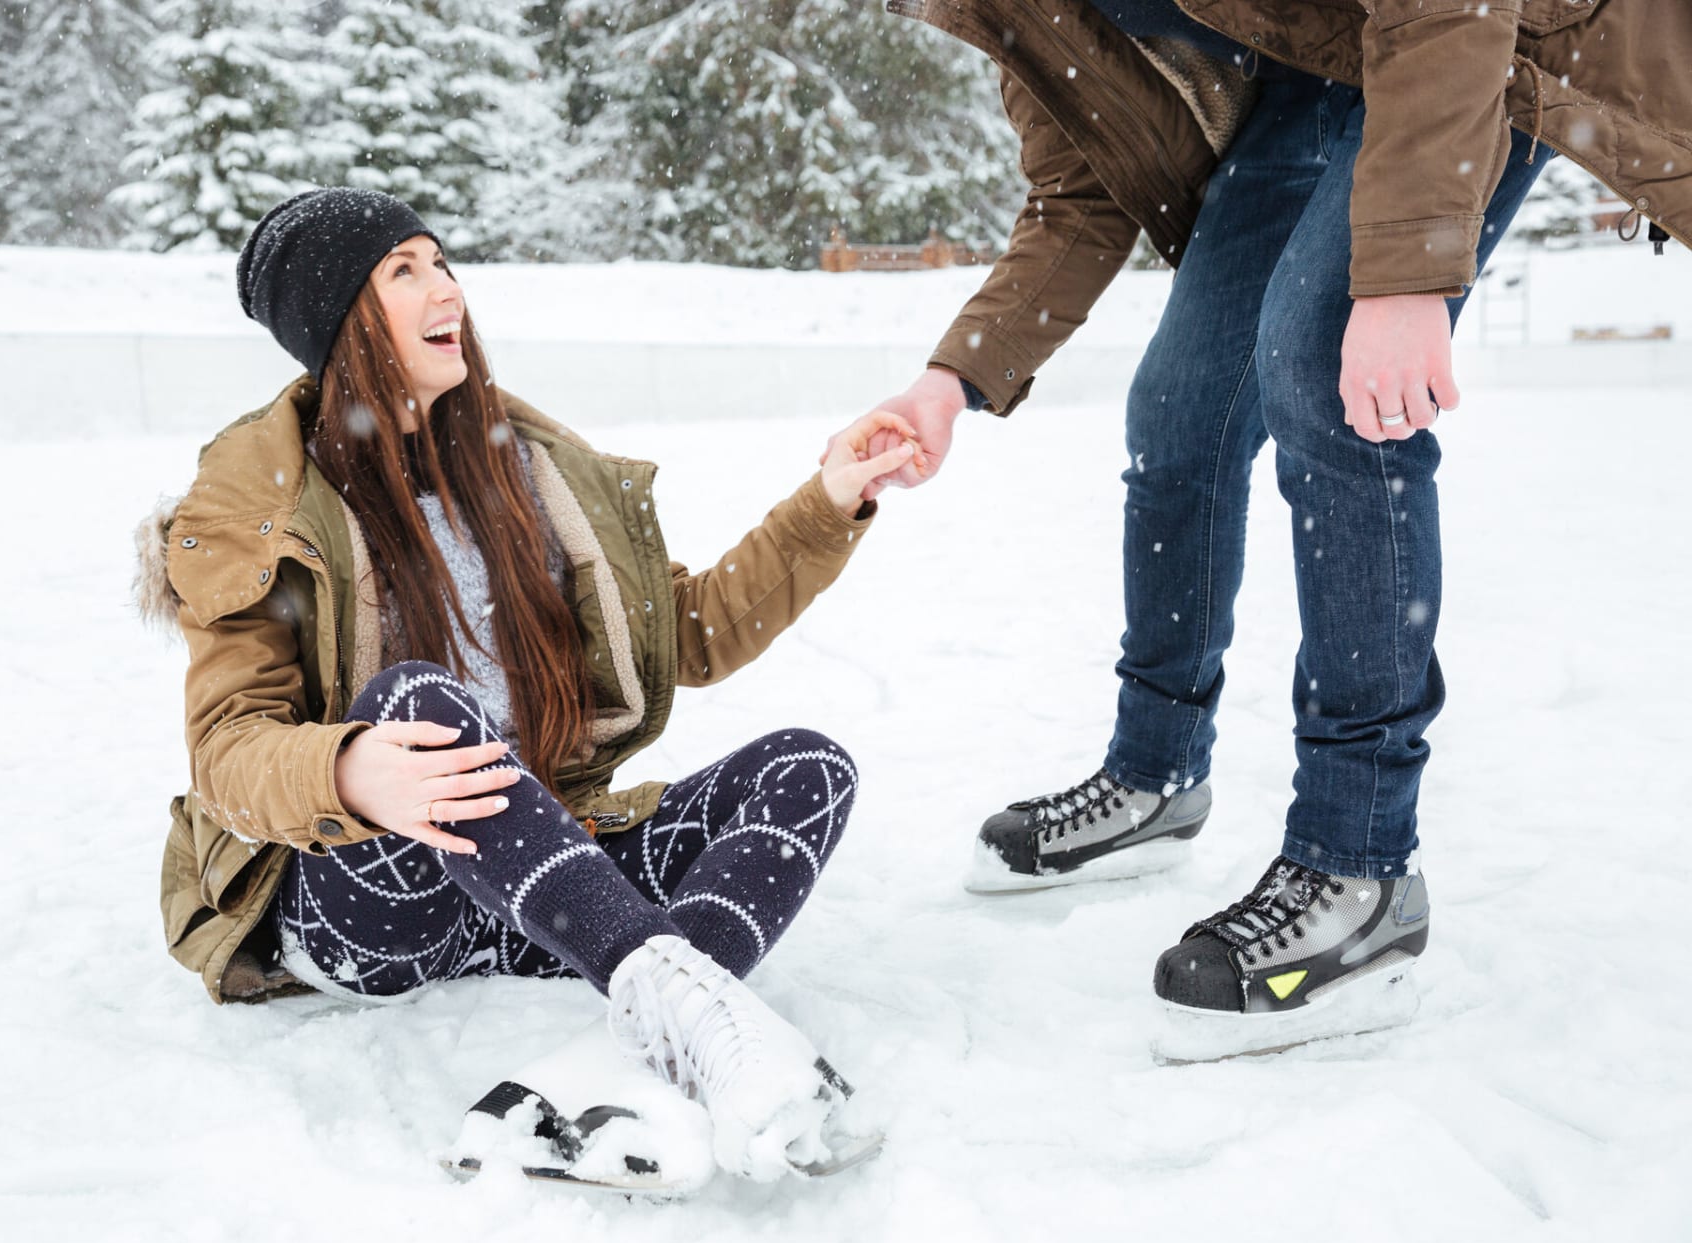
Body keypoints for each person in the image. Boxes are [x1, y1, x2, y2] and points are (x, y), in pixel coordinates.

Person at [871, 0, 1687, 1057]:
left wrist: (1400, 277)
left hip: (1479, 34)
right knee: (1179, 413)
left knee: (1324, 366)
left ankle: (1360, 865)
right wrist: (952, 379)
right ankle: (1156, 771)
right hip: (1314, 78)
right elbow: (1076, 195)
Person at [137, 188, 916, 1178]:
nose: (445, 287)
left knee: (809, 769)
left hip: (546, 880)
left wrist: (829, 502)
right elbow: (227, 751)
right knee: (417, 708)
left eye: (442, 260)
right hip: (379, 898)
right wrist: (349, 770)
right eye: (404, 271)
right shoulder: (265, 509)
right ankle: (681, 993)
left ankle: (635, 1040)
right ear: (342, 322)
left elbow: (687, 635)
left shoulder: (522, 474)